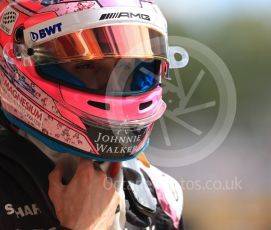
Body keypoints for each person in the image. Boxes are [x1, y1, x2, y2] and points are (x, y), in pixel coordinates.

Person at [0, 0, 188, 229]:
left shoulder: (160, 196)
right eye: (86, 65)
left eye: (131, 67)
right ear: (16, 56)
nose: (115, 85)